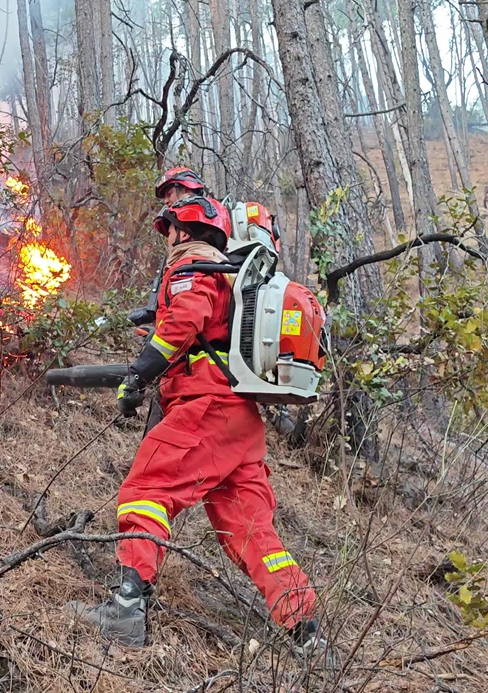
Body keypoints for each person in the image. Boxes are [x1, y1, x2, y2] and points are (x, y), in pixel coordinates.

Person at [68, 167, 321, 654]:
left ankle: (126, 608)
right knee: (249, 530)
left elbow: (184, 320)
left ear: (187, 226)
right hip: (240, 422)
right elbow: (195, 322)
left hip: (207, 407)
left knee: (145, 490)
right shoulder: (223, 272)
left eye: (170, 225)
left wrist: (139, 374)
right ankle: (305, 628)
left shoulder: (193, 265)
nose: (167, 237)